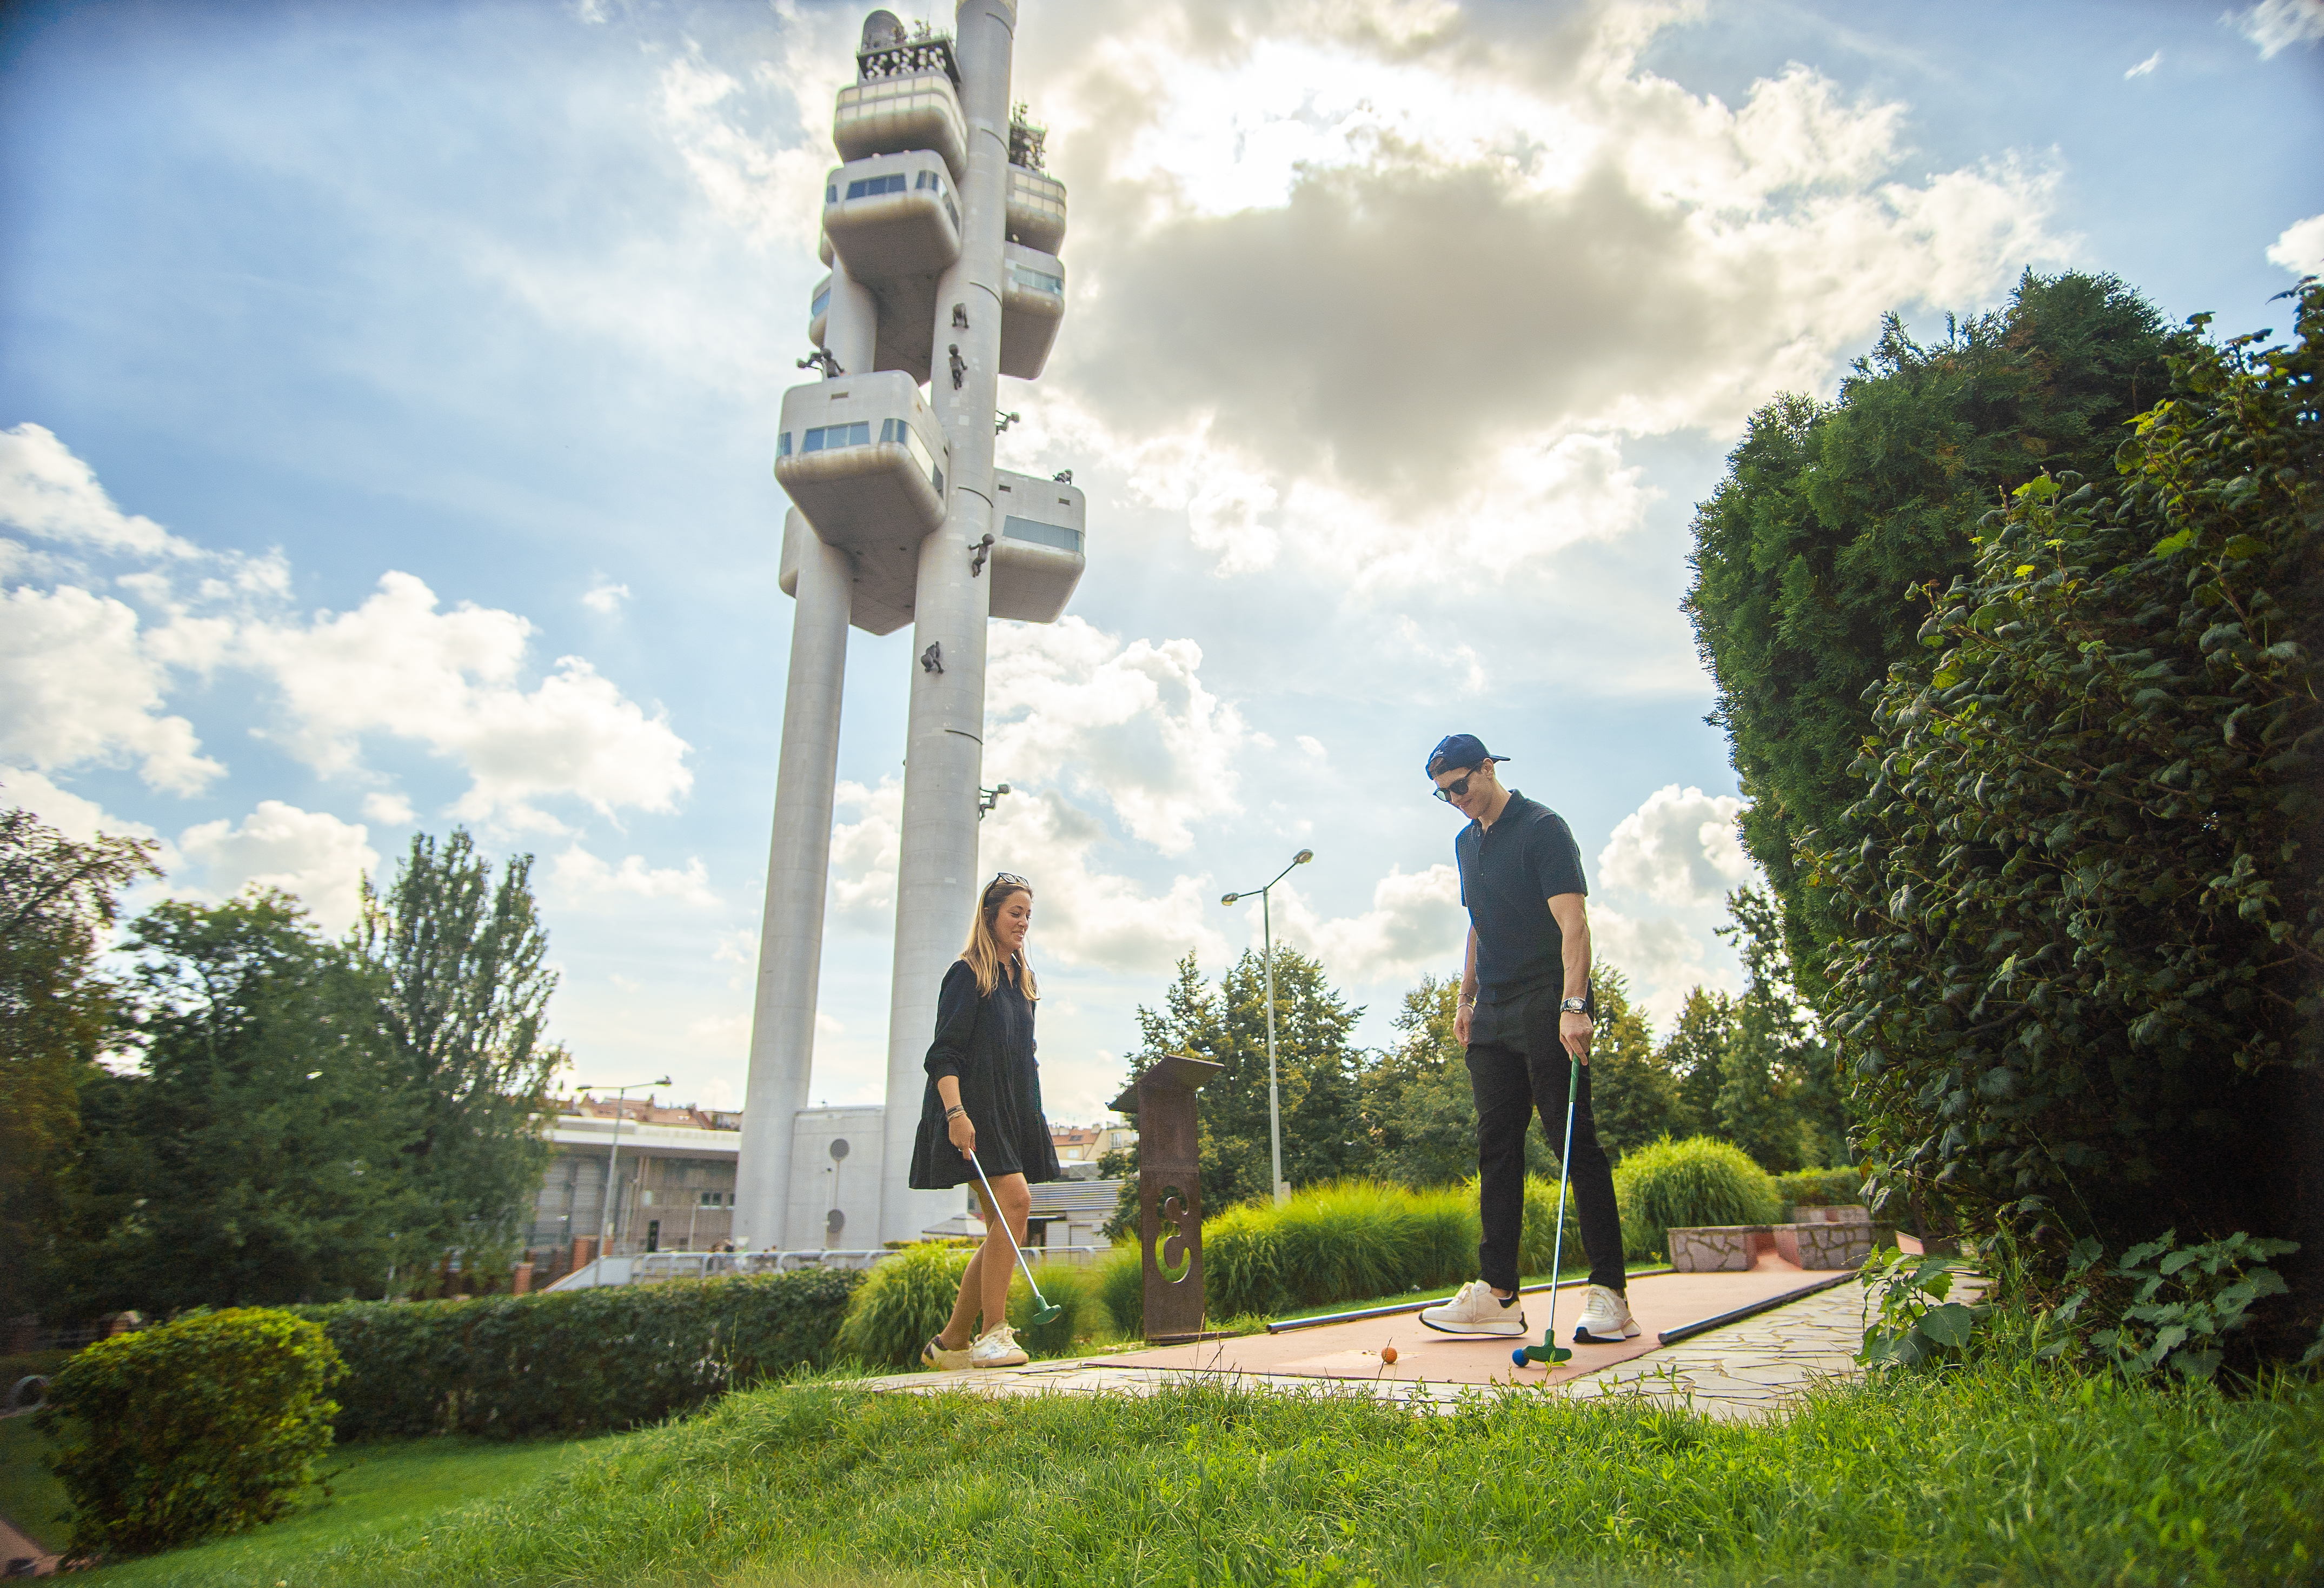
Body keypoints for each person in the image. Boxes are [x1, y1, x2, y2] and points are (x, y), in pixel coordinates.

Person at [1417, 734, 1637, 1345]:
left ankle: (1611, 1294)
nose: (1455, 800)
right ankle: (1498, 1295)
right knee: (1496, 1146)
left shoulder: (1542, 828)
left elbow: (1574, 923)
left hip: (1547, 1000)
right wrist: (1465, 1000)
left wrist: (1573, 1006)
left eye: (1460, 785)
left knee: (1572, 1142)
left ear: (1488, 769)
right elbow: (1476, 926)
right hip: (1492, 1008)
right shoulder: (1465, 843)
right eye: (1443, 794)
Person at [908, 872, 1063, 1369]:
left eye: (1028, 915)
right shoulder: (966, 974)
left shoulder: (1022, 981)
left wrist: (1032, 1118)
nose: (1022, 922)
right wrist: (955, 1113)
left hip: (1010, 1113)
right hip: (971, 1111)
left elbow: (1025, 1056)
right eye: (1014, 912)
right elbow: (943, 1054)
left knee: (1003, 1220)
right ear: (990, 915)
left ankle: (950, 1342)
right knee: (1017, 1203)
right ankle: (992, 1333)